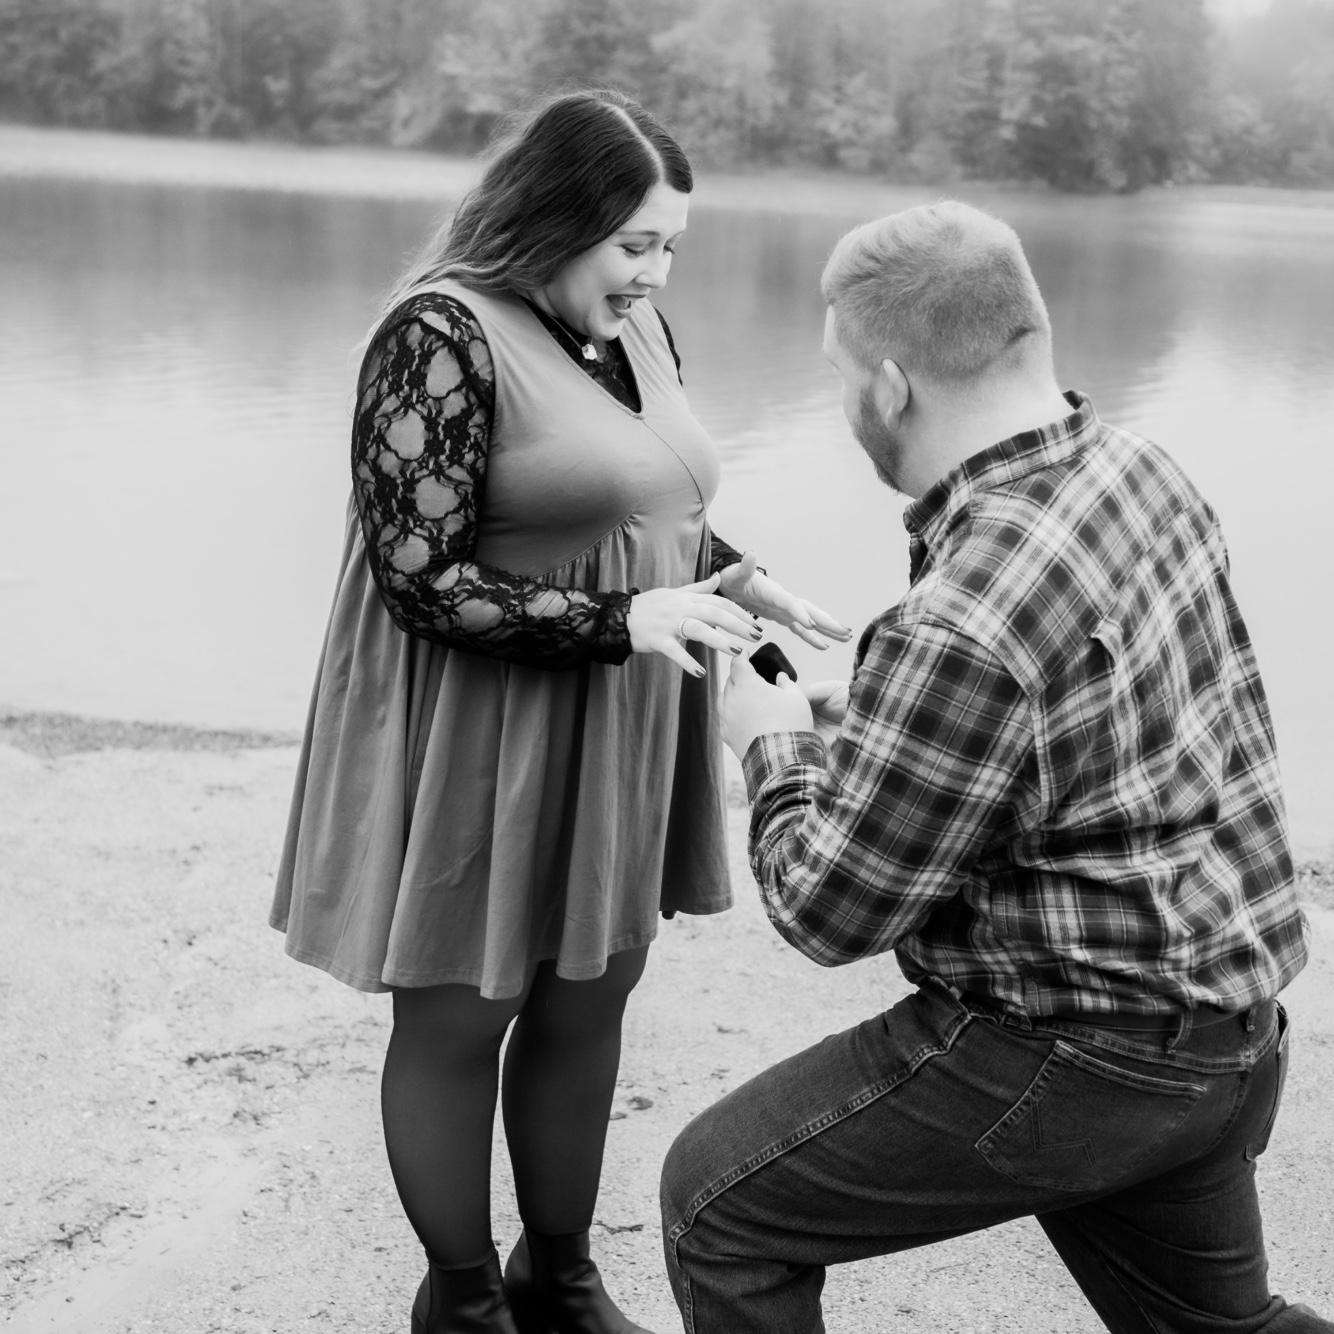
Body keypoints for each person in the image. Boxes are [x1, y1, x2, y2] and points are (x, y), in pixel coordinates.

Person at [659, 201, 1333, 1334]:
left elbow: (827, 910)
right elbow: (1101, 726)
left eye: (839, 378)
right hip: (1226, 1033)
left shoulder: (962, 618)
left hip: (1076, 1056)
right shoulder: (1139, 472)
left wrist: (769, 739)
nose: (844, 404)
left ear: (890, 386)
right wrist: (885, 719)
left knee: (716, 1206)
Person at [269, 89, 848, 1334]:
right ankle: (463, 1300)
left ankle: (560, 1278)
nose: (656, 273)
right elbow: (417, 578)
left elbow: (640, 507)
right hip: (480, 731)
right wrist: (624, 619)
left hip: (616, 725)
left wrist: (733, 578)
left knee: (590, 992)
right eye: (635, 243)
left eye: (670, 246)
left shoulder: (636, 333)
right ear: (554, 217)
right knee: (460, 1013)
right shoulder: (438, 334)